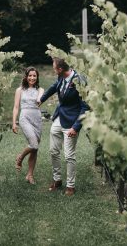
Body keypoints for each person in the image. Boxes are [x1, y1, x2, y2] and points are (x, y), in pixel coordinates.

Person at [38, 58, 89, 196]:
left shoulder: (80, 80)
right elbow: (54, 87)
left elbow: (86, 107)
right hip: (59, 117)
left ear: (60, 69)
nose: (54, 71)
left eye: (54, 68)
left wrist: (76, 127)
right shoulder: (61, 77)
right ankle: (57, 179)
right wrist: (41, 99)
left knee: (69, 155)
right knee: (53, 151)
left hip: (72, 122)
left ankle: (71, 186)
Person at [12, 67, 44, 184]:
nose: (32, 78)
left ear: (37, 77)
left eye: (34, 76)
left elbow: (40, 98)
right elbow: (16, 107)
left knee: (34, 149)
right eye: (30, 75)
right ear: (26, 77)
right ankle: (20, 157)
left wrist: (40, 98)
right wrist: (14, 122)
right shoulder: (19, 90)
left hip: (37, 120)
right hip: (24, 118)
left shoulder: (40, 89)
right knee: (34, 145)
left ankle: (30, 175)